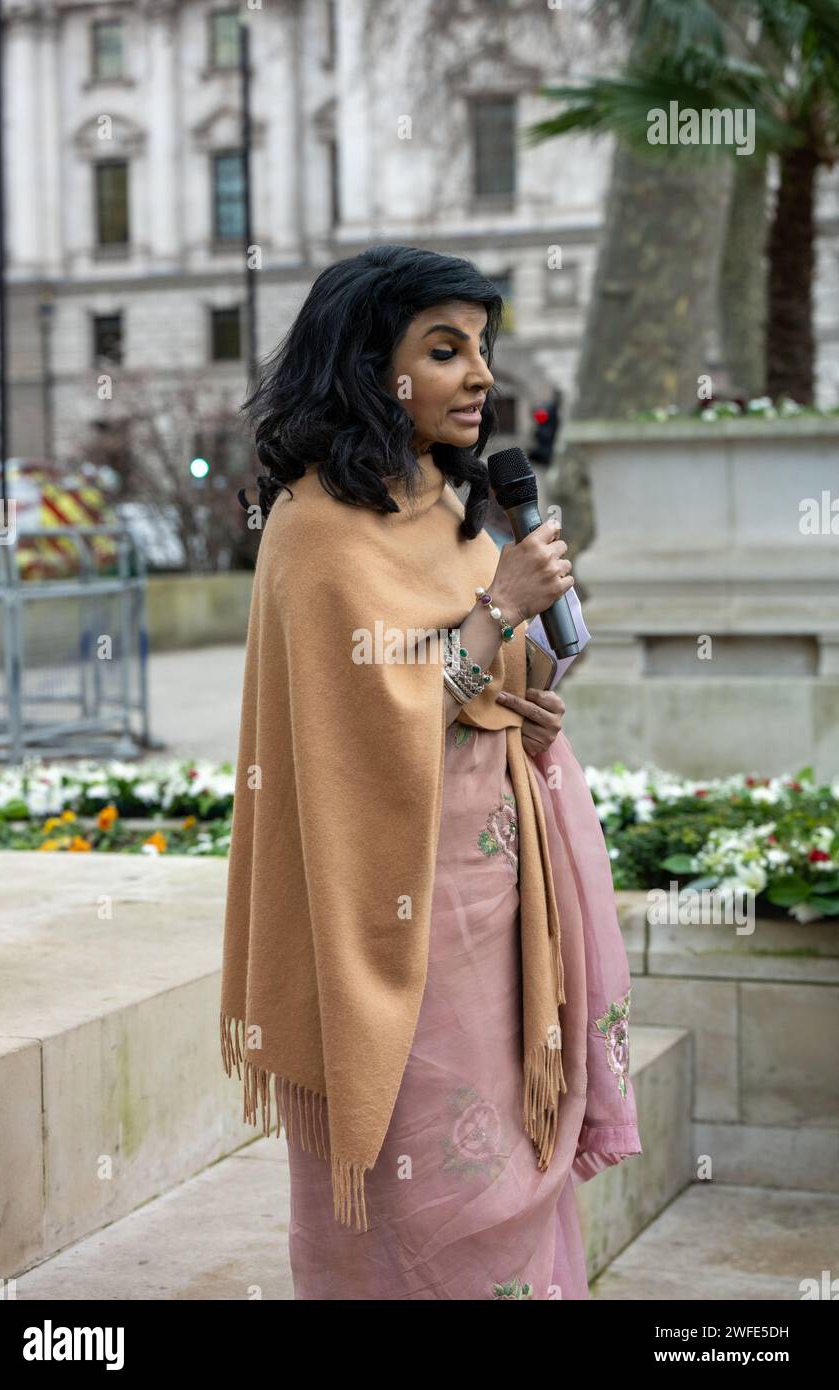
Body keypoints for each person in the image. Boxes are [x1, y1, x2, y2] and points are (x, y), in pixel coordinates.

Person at [219, 244, 641, 1301]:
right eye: (443, 349)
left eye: (482, 348)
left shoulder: (453, 508)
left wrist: (529, 706)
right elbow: (364, 724)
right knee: (426, 1164)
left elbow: (469, 690)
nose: (479, 374)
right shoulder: (315, 527)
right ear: (373, 365)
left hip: (492, 909)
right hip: (389, 915)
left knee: (508, 1136)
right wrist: (496, 606)